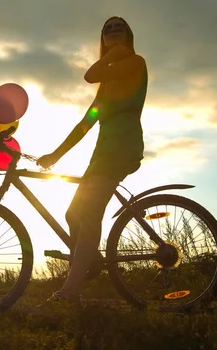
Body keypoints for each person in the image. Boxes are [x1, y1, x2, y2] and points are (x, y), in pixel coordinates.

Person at [36, 16, 148, 304]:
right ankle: (89, 265)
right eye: (106, 29)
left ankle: (70, 291)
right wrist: (54, 155)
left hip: (122, 145)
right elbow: (85, 124)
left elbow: (89, 74)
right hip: (102, 151)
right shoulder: (107, 85)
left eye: (118, 26)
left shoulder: (135, 64)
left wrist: (112, 54)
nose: (112, 31)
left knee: (89, 216)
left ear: (128, 34)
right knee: (73, 214)